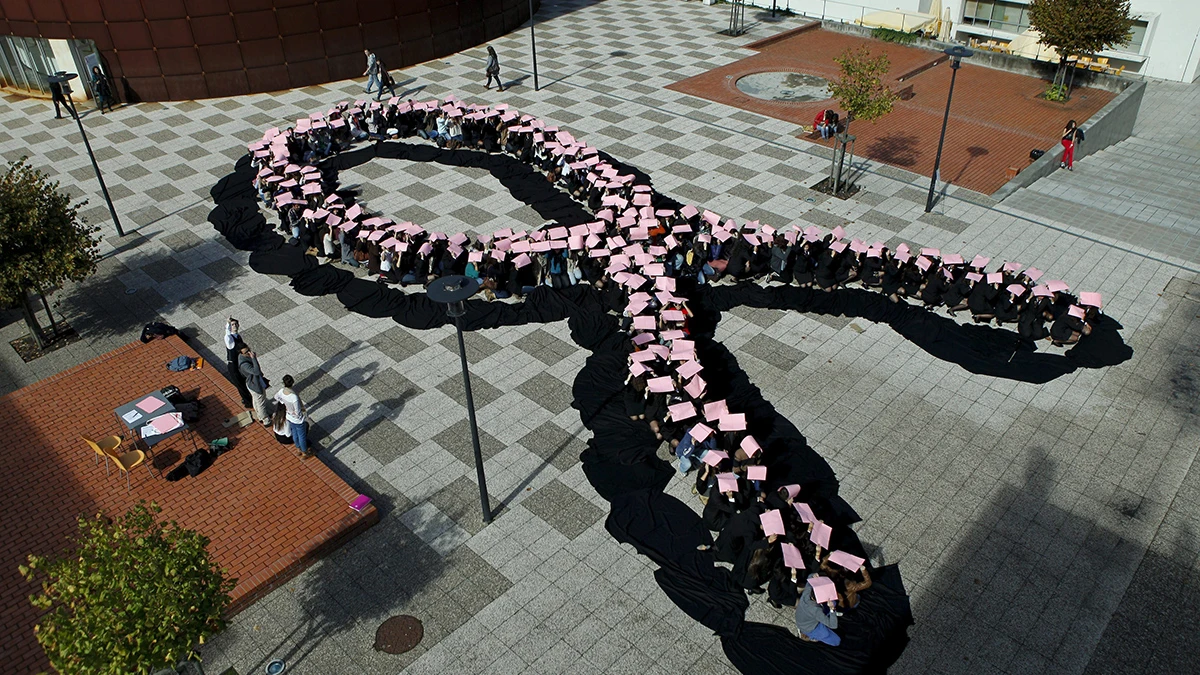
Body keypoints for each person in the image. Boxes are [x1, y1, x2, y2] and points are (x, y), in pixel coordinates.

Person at [795, 575, 841, 646]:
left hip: (803, 617)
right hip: (810, 628)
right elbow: (833, 625)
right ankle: (809, 635)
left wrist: (814, 575)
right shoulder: (816, 610)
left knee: (833, 602)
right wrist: (832, 609)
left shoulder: (807, 593)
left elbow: (810, 578)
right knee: (836, 641)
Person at [274, 374, 312, 457]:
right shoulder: (293, 397)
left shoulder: (281, 391)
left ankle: (298, 448)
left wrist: (284, 403)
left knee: (295, 433)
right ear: (292, 383)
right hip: (297, 419)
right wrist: (299, 415)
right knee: (301, 436)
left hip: (289, 417)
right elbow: (298, 411)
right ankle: (305, 452)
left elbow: (276, 397)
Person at [237, 344, 271, 426]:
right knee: (261, 402)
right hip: (255, 384)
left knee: (256, 400)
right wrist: (254, 358)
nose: (249, 352)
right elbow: (257, 372)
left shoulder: (242, 357)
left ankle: (260, 416)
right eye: (246, 352)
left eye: (249, 350)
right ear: (241, 353)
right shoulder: (244, 364)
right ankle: (265, 419)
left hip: (252, 383)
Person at [223, 318, 252, 409]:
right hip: (233, 365)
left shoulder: (238, 336)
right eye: (232, 325)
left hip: (240, 363)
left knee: (244, 381)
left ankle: (248, 398)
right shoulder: (230, 339)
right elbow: (227, 335)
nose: (234, 326)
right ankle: (248, 402)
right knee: (240, 384)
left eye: (235, 324)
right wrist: (227, 324)